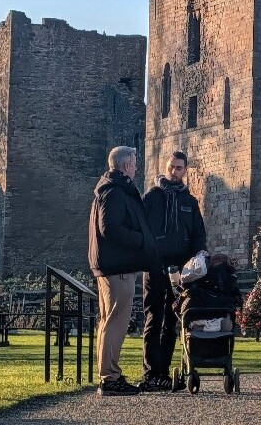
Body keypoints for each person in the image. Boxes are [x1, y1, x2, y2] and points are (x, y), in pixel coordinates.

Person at [88, 145, 158, 396]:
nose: (137, 167)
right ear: (127, 165)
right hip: (117, 266)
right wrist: (141, 240)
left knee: (108, 321)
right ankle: (110, 378)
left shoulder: (109, 188)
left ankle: (108, 375)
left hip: (111, 264)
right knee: (116, 321)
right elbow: (111, 229)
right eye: (135, 163)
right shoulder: (115, 192)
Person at [140, 151, 206, 391]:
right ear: (165, 167)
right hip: (155, 265)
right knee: (153, 318)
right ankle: (150, 373)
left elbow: (198, 233)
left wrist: (199, 256)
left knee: (172, 319)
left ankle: (164, 373)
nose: (174, 171)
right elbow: (141, 229)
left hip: (179, 269)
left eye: (179, 168)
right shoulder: (151, 197)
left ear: (185, 170)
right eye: (171, 167)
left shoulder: (189, 201)